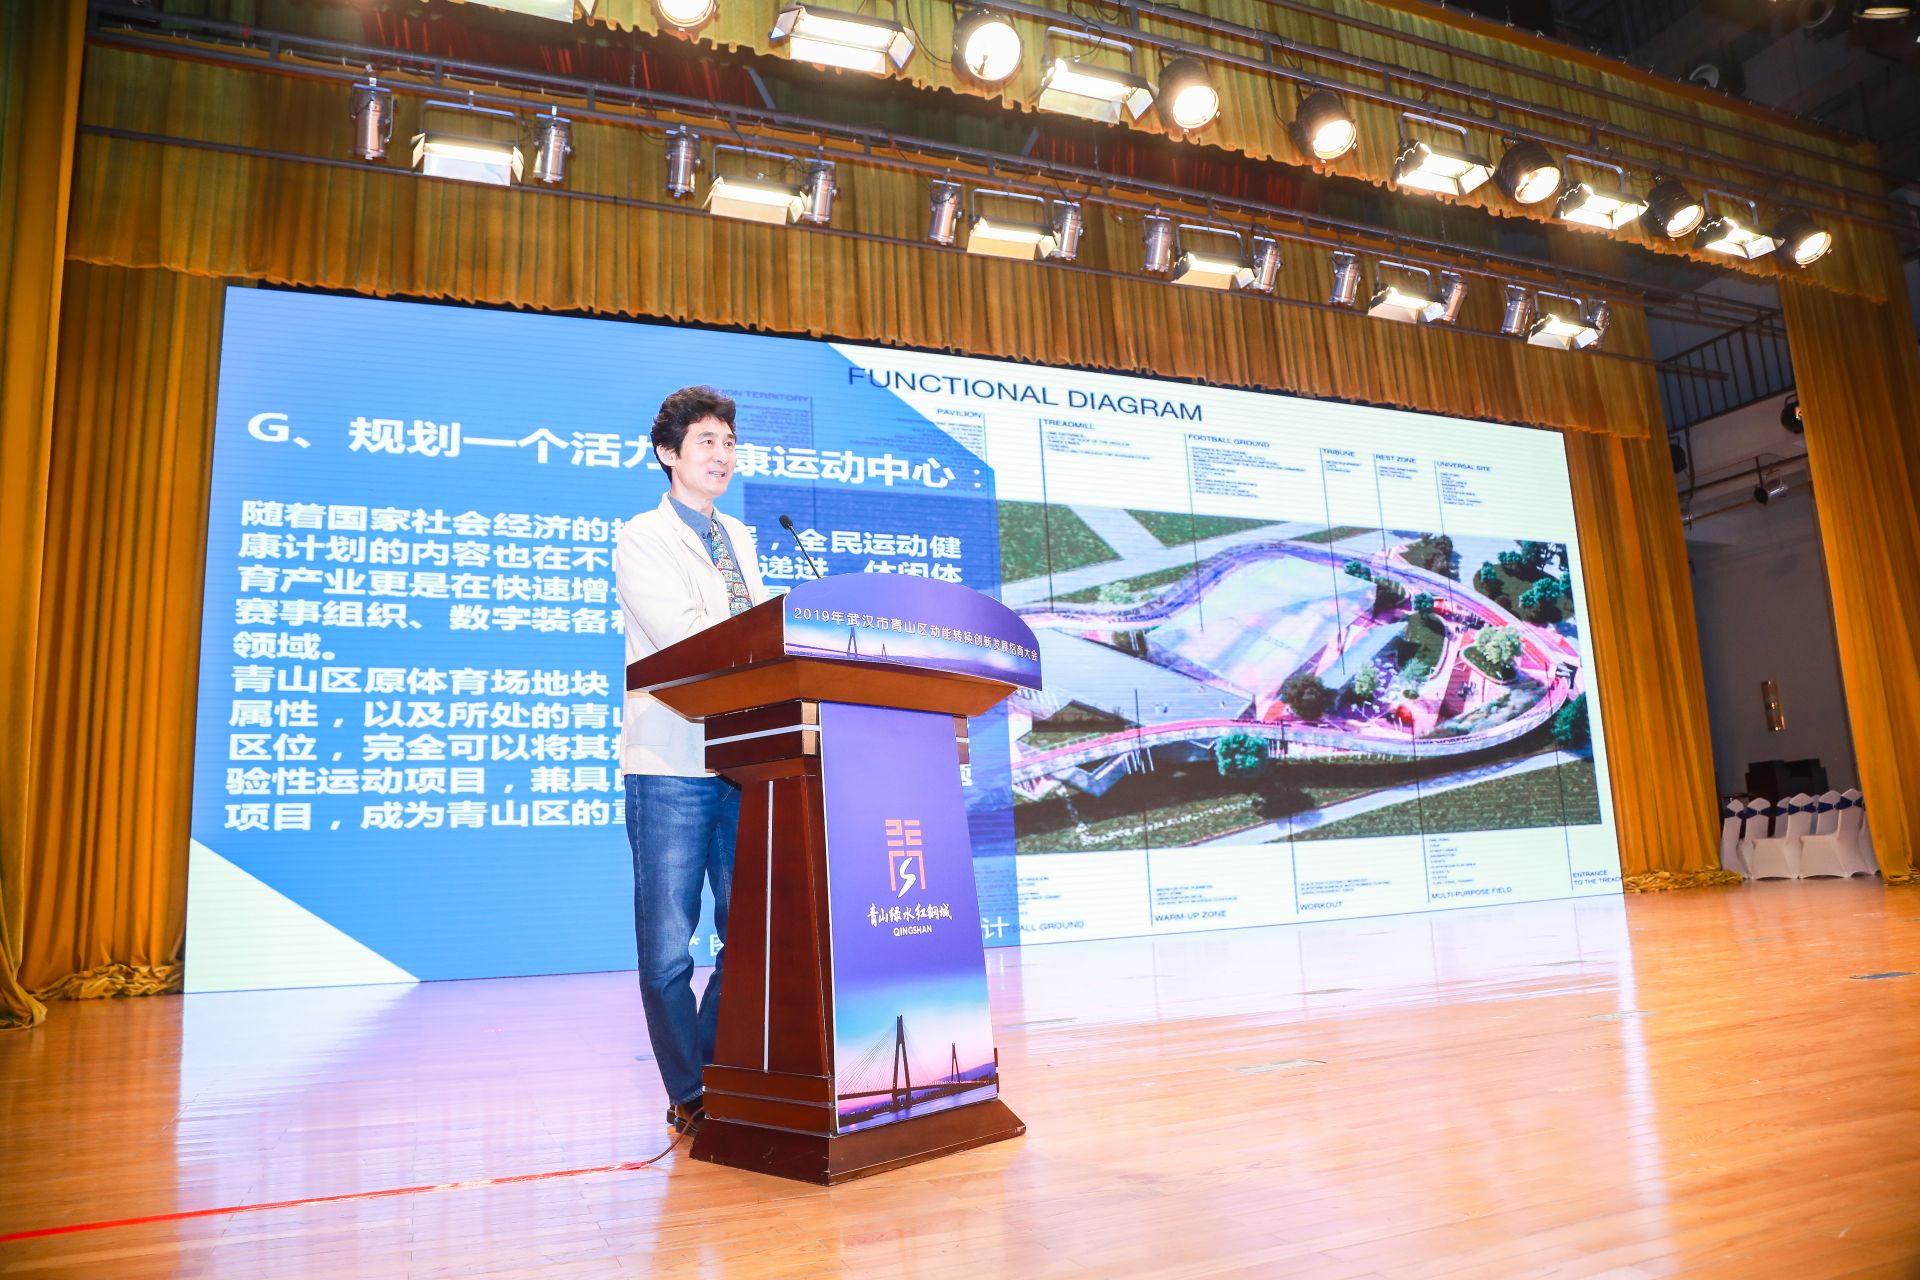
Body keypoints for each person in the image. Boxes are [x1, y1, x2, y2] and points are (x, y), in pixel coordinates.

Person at [615, 386, 768, 1136]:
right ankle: (689, 1091)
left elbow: (761, 635)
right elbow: (684, 641)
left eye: (729, 442)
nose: (722, 454)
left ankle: (715, 1070)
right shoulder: (641, 537)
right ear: (668, 454)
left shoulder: (739, 536)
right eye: (707, 441)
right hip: (671, 762)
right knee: (669, 947)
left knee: (748, 933)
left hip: (743, 757)